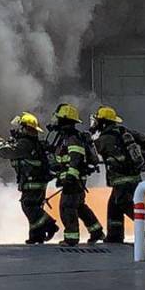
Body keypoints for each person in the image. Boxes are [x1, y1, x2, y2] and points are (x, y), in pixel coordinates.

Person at [91, 105, 145, 244]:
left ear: (103, 122)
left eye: (98, 121)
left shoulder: (105, 138)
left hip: (121, 179)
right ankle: (114, 236)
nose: (96, 123)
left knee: (126, 205)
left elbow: (93, 151)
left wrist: (89, 135)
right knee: (114, 206)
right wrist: (143, 160)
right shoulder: (124, 131)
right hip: (133, 176)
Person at [0, 113, 59, 244]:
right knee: (34, 206)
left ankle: (50, 225)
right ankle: (36, 236)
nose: (17, 130)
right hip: (36, 180)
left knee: (28, 206)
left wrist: (0, 143)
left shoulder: (25, 143)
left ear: (25, 128)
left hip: (32, 181)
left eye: (20, 127)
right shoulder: (30, 142)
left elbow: (7, 152)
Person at [47, 103, 104, 246]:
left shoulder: (71, 137)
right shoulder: (66, 137)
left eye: (58, 118)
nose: (56, 120)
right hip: (75, 179)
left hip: (74, 179)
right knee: (80, 207)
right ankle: (97, 232)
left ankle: (71, 238)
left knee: (67, 207)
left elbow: (76, 158)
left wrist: (70, 176)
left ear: (64, 120)